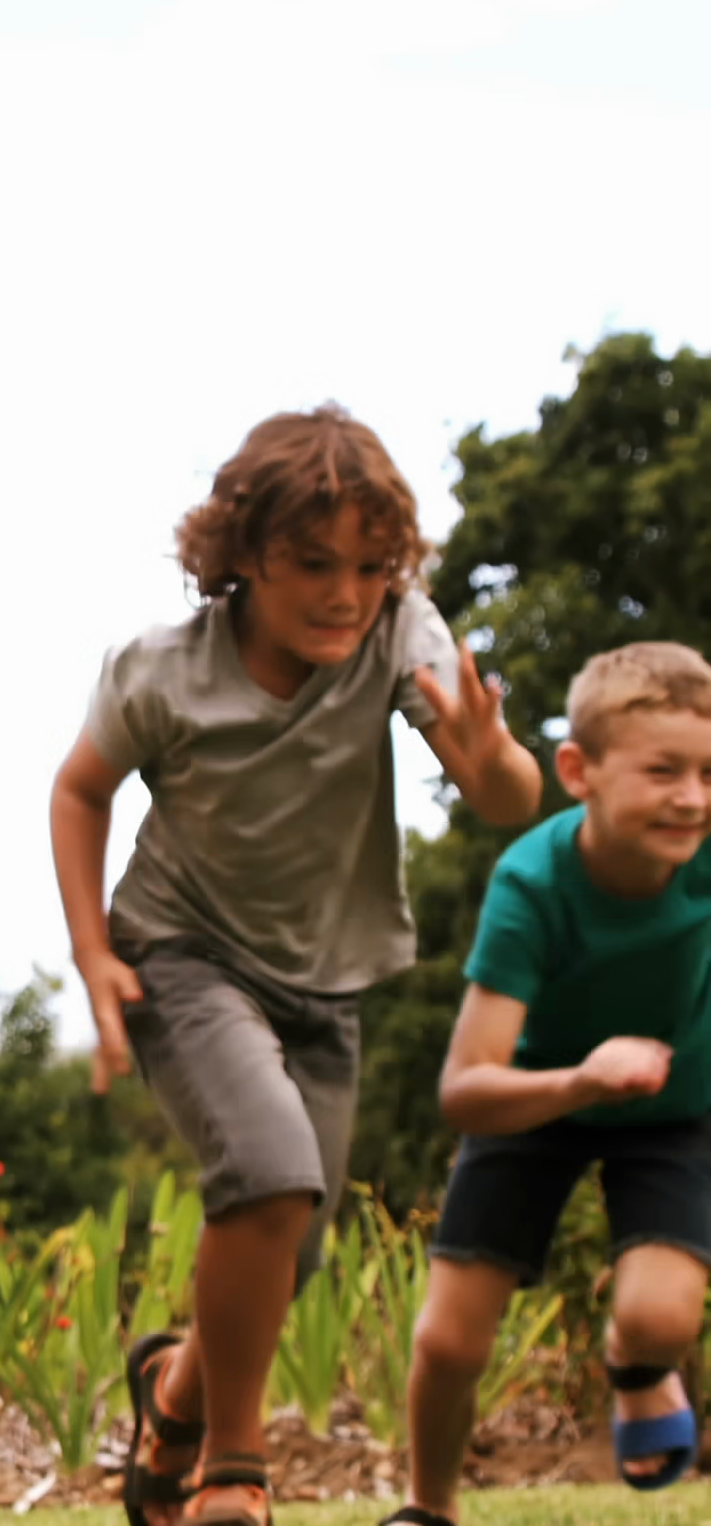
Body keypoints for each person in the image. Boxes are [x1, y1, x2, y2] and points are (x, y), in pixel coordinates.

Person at [49, 405, 542, 1526]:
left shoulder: (398, 633)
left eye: (370, 568)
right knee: (271, 1175)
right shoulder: (162, 672)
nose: (345, 594)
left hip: (328, 978)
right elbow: (79, 790)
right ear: (242, 552)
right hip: (181, 953)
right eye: (313, 564)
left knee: (291, 1247)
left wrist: (489, 757)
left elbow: (508, 798)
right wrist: (90, 953)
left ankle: (172, 1394)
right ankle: (233, 1466)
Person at [390, 640, 711, 1526]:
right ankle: (429, 1507)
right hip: (533, 1098)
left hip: (674, 1108)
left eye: (709, 774)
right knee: (449, 1340)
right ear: (579, 772)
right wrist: (582, 1080)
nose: (692, 797)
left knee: (661, 1317)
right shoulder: (532, 884)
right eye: (663, 771)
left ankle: (635, 1365)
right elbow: (464, 1089)